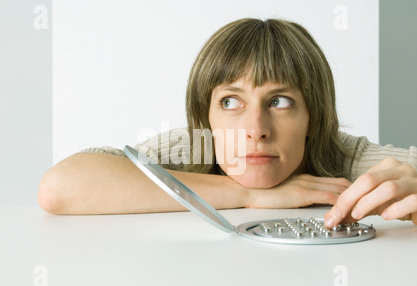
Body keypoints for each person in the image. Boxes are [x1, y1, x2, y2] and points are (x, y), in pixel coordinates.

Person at [38, 18, 417, 228]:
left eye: (280, 101)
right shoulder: (190, 148)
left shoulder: (349, 159)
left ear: (314, 118)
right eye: (230, 101)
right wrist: (251, 196)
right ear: (205, 118)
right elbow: (59, 188)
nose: (256, 128)